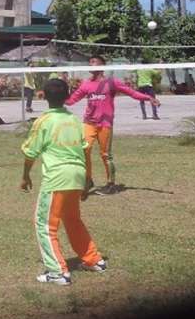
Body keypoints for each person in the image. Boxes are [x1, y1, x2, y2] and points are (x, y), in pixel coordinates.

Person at [20, 79, 107, 285]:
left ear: (43, 96)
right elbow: (86, 150)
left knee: (45, 224)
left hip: (57, 179)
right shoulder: (75, 120)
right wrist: (86, 179)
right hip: (76, 175)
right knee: (72, 219)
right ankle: (94, 260)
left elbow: (31, 152)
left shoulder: (43, 121)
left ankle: (57, 272)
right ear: (68, 96)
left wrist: (25, 176)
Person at [65, 55, 160, 194]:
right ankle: (88, 180)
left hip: (105, 123)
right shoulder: (86, 84)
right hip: (89, 123)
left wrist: (149, 98)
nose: (91, 64)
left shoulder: (112, 82)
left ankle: (111, 184)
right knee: (84, 149)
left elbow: (132, 93)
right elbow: (71, 100)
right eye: (89, 62)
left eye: (94, 62)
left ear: (102, 66)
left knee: (105, 155)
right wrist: (55, 96)